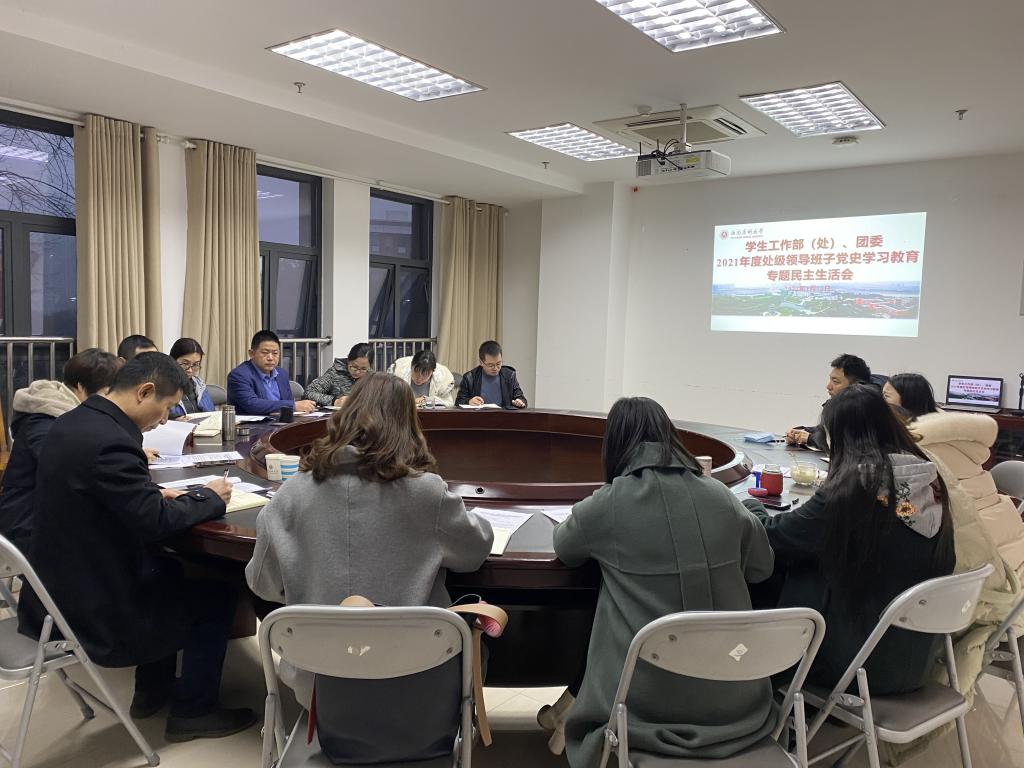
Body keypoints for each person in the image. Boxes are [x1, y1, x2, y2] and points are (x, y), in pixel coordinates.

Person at [17, 353, 255, 740]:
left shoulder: (75, 421)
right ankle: (194, 712)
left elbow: (105, 494)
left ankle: (151, 693)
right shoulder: (111, 442)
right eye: (165, 407)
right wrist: (209, 497)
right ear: (144, 392)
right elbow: (155, 523)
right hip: (94, 609)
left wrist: (152, 494)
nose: (164, 420)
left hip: (59, 587)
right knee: (216, 594)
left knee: (170, 569)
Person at [246, 371, 493, 708]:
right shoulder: (425, 492)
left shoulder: (291, 493)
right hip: (414, 680)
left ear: (344, 417)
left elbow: (262, 583)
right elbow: (474, 552)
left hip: (317, 685)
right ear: (409, 426)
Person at [552, 397, 775, 766]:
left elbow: (565, 546)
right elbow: (761, 568)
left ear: (614, 445)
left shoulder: (609, 503)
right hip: (736, 699)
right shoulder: (720, 496)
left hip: (642, 703)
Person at [755, 383, 956, 695]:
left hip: (855, 665)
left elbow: (775, 536)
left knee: (763, 572)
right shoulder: (929, 481)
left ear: (842, 438)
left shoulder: (856, 489)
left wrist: (749, 506)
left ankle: (749, 690)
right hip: (914, 661)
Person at [0, 348, 120, 552]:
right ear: (81, 387)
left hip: (53, 513)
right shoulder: (44, 417)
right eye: (107, 393)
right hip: (29, 524)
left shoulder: (67, 411)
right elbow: (63, 462)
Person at [786, 353, 871, 449]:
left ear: (856, 386)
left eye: (835, 382)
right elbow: (827, 430)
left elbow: (840, 442)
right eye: (830, 380)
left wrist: (809, 438)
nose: (828, 387)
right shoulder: (837, 406)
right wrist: (802, 431)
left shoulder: (863, 411)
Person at [226, 330, 315, 416]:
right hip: (253, 425)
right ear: (251, 353)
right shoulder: (239, 375)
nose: (270, 358)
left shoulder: (282, 374)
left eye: (275, 353)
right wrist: (293, 406)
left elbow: (287, 401)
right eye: (265, 353)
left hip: (281, 422)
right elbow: (252, 405)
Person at [455, 341, 527, 409]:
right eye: (491, 365)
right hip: (478, 416)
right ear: (481, 362)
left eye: (498, 363)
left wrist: (520, 402)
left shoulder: (509, 376)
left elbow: (521, 399)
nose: (495, 368)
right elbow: (458, 402)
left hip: (504, 416)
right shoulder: (470, 378)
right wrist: (469, 401)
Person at [303, 342, 373, 407]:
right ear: (348, 360)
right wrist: (334, 401)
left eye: (363, 369)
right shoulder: (334, 373)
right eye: (354, 367)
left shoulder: (371, 376)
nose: (358, 372)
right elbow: (309, 393)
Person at [389, 349, 456, 407]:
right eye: (416, 372)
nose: (419, 378)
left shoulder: (442, 380)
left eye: (425, 375)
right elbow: (389, 399)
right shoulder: (398, 374)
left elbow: (449, 404)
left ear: (432, 372)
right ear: (411, 366)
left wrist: (427, 400)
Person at [168, 337, 215, 418]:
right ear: (172, 360)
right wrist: (175, 419)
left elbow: (212, 414)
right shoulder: (162, 385)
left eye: (195, 364)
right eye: (185, 364)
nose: (190, 370)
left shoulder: (199, 385)